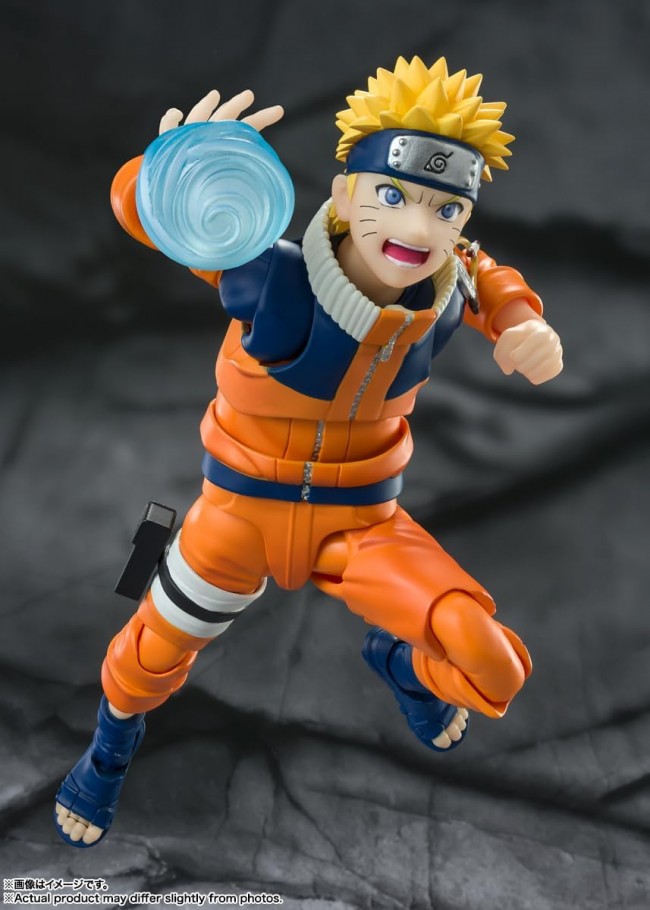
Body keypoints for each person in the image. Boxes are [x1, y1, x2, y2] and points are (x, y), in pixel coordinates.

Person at [55, 55, 563, 847]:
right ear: (346, 194)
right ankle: (108, 753)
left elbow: (483, 271)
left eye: (446, 209)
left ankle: (400, 665)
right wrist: (171, 165)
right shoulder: (267, 274)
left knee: (492, 661)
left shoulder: (446, 282)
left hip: (360, 524)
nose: (417, 231)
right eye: (392, 196)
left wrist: (521, 318)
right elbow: (146, 212)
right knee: (148, 659)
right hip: (237, 517)